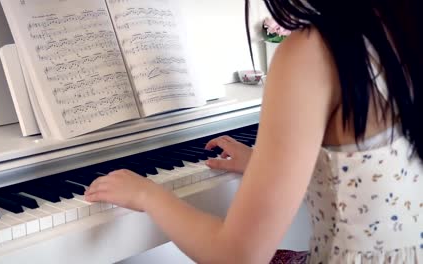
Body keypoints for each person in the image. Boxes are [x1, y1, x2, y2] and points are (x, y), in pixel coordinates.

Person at [85, 0, 423, 262]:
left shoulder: (314, 53)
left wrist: (148, 195)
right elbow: (377, 175)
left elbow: (237, 256)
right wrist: (271, 166)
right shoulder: (400, 29)